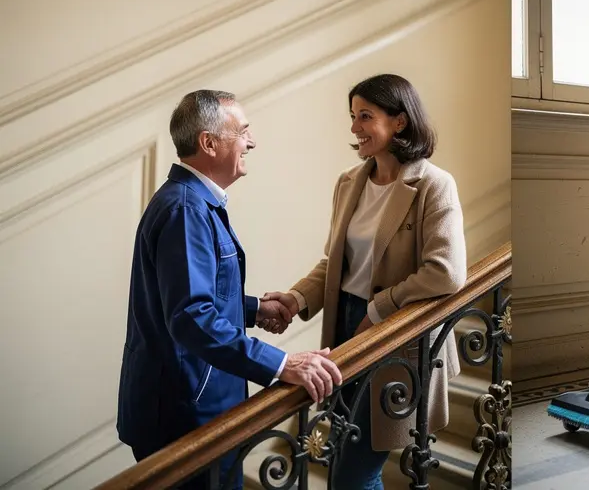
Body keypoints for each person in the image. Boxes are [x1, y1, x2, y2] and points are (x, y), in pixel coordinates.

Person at [116, 90, 344, 489]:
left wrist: (254, 310)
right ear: (209, 143)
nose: (252, 142)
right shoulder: (185, 209)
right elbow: (190, 316)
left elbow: (192, 295)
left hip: (195, 404)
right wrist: (280, 364)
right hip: (185, 415)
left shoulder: (193, 202)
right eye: (243, 131)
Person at [261, 73, 468, 490]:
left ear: (400, 122)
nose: (354, 128)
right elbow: (335, 263)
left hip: (396, 336)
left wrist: (379, 309)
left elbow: (446, 271)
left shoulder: (433, 185)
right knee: (343, 460)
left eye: (365, 117)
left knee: (354, 473)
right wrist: (296, 298)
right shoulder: (348, 182)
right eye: (353, 116)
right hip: (343, 327)